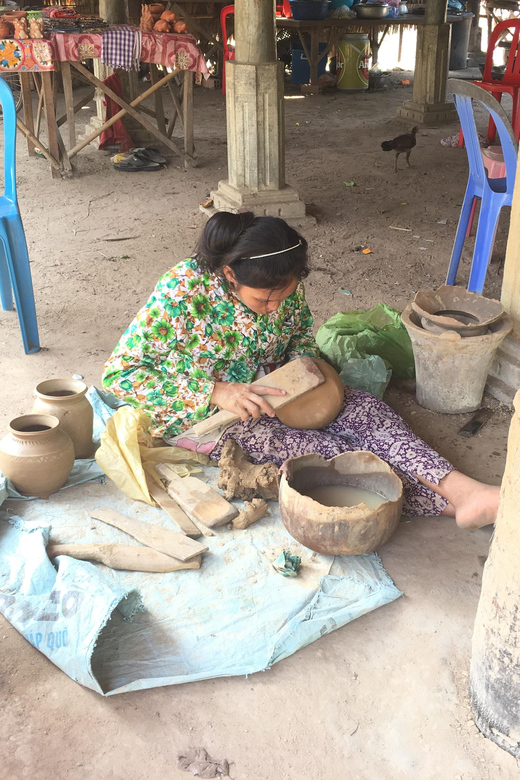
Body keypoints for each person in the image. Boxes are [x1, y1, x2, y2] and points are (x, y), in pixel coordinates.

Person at [102, 212, 500, 530]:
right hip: (213, 415)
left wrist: (307, 368)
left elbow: (299, 340)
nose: (276, 307)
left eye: (284, 296)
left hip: (279, 388)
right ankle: (448, 506)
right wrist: (216, 391)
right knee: (326, 457)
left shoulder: (284, 282)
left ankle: (464, 489)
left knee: (368, 412)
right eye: (263, 300)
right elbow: (120, 374)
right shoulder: (181, 293)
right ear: (230, 276)